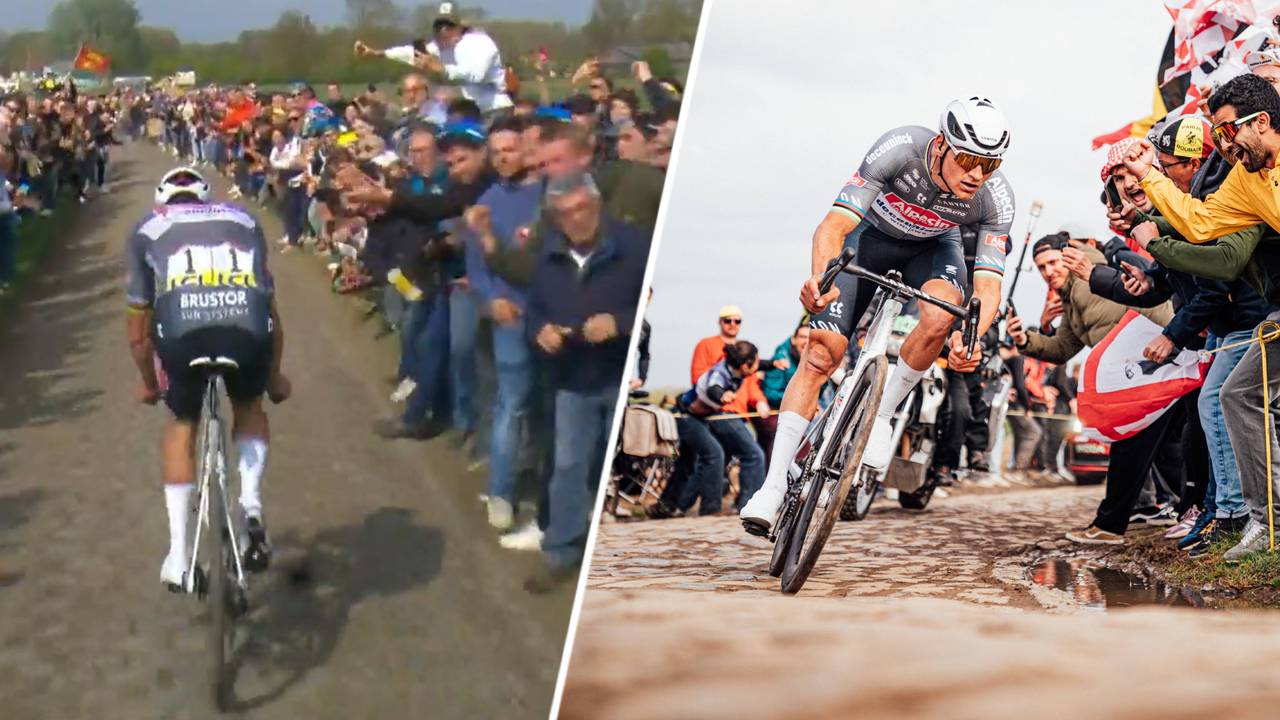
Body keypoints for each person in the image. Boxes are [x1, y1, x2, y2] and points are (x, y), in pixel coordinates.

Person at [741, 97, 1016, 533]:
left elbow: (988, 285)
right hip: (870, 239)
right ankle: (772, 487)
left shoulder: (995, 199)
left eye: (991, 164)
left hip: (931, 251)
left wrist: (973, 337)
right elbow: (833, 226)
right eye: (967, 159)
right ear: (942, 145)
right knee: (821, 355)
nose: (977, 175)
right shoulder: (899, 149)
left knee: (944, 314)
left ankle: (882, 413)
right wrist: (820, 280)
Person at [124, 167, 291, 589]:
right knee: (250, 406)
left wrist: (148, 382)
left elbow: (137, 330)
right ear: (206, 196)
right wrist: (274, 378)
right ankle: (250, 505)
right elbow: (270, 312)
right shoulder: (245, 219)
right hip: (246, 330)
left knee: (182, 426)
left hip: (184, 336)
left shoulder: (147, 228)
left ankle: (180, 554)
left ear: (163, 199)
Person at [673, 341, 761, 516]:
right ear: (745, 365)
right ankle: (710, 510)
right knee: (715, 455)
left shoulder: (736, 367)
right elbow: (714, 387)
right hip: (686, 416)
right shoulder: (720, 373)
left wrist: (774, 364)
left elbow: (762, 363)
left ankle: (677, 506)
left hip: (700, 418)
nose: (760, 364)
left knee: (705, 459)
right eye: (757, 361)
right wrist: (723, 395)